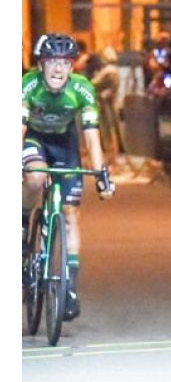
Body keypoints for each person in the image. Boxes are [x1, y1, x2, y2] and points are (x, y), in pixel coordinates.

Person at [22, 33, 115, 321]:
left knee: (71, 213)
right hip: (34, 139)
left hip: (64, 143)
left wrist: (101, 174)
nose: (58, 69)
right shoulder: (28, 85)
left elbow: (91, 136)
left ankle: (70, 289)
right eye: (51, 62)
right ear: (41, 65)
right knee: (36, 177)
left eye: (64, 62)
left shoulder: (82, 89)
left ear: (72, 67)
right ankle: (23, 219)